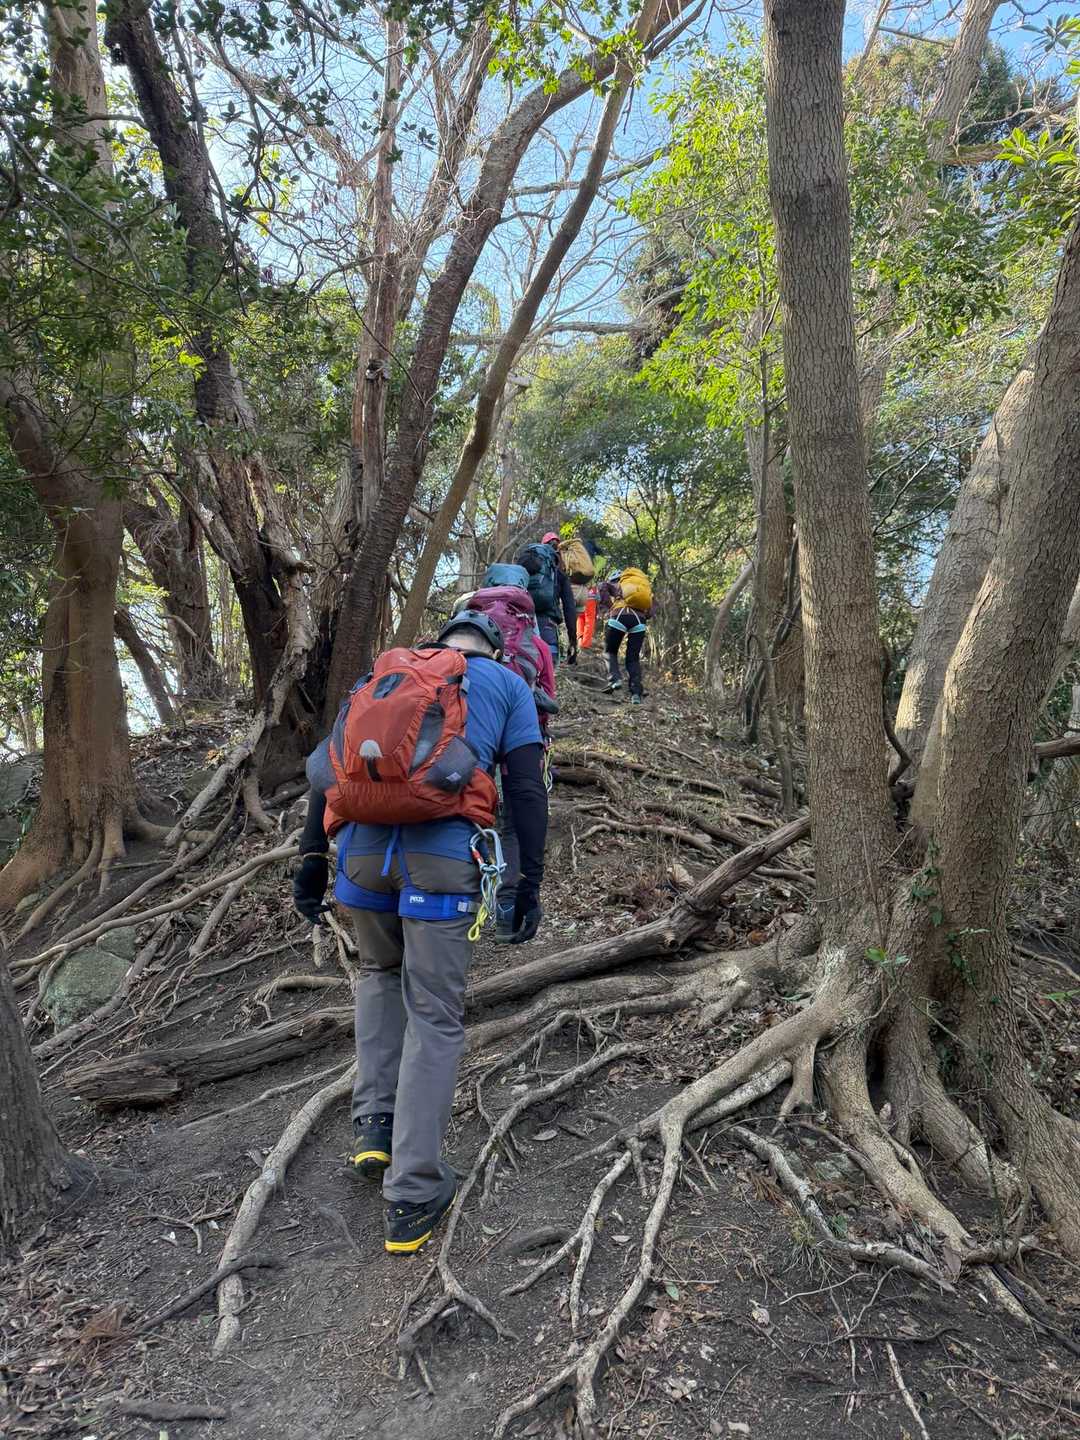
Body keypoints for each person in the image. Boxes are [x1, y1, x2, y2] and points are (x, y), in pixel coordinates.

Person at [292, 612, 548, 1254]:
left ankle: (374, 1129)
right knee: (434, 1013)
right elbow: (525, 789)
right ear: (493, 647)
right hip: (442, 856)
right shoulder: (508, 685)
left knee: (379, 976)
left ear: (442, 639)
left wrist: (311, 860)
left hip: (360, 856)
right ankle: (412, 1193)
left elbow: (327, 771)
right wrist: (527, 881)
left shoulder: (385, 673)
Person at [602, 569, 650, 705]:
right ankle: (636, 693)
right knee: (633, 658)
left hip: (619, 615)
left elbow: (602, 587)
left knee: (610, 651)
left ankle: (615, 679)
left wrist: (610, 607)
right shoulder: (642, 586)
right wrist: (644, 615)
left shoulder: (619, 584)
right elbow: (653, 606)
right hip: (639, 620)